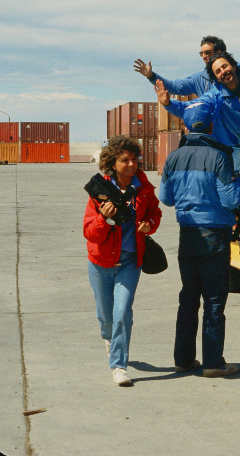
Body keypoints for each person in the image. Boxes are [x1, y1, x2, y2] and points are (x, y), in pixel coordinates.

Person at [134, 36, 240, 238]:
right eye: (202, 54)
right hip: (237, 141)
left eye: (208, 53)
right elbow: (183, 95)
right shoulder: (210, 88)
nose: (205, 57)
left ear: (223, 55)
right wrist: (163, 96)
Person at [159, 101, 240, 377]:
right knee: (213, 301)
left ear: (186, 126)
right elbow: (230, 198)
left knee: (188, 298)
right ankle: (212, 362)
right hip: (214, 237)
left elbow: (166, 198)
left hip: (188, 235)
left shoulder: (173, 157)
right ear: (211, 126)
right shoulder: (219, 156)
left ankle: (183, 360)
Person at [83, 136, 162, 386]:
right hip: (101, 262)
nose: (131, 164)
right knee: (106, 316)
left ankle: (119, 366)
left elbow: (154, 211)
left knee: (122, 313)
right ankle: (109, 338)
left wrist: (150, 223)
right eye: (124, 160)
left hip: (130, 261)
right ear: (112, 162)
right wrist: (103, 220)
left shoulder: (144, 187)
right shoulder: (100, 189)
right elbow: (89, 232)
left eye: (134, 159)